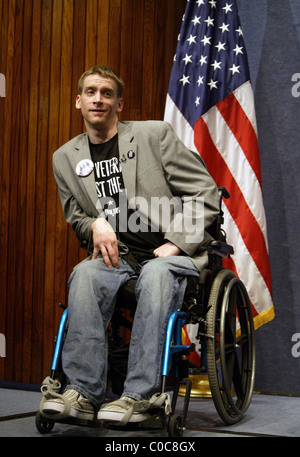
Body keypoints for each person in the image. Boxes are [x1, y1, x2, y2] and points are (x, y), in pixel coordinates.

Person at [39, 65, 219, 425]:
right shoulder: (65, 158)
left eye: (107, 94)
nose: (98, 99)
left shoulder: (154, 136)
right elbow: (75, 216)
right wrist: (94, 224)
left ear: (119, 104)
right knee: (84, 274)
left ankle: (140, 395)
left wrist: (177, 243)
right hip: (117, 257)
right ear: (78, 101)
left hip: (169, 254)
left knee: (156, 273)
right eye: (90, 92)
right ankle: (82, 393)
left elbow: (205, 192)